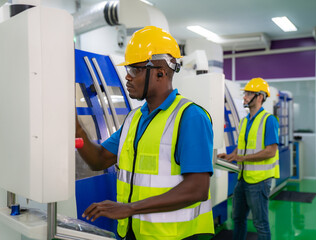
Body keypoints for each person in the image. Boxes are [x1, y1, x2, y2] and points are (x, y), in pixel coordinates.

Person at [76, 26, 214, 240]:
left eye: (135, 70)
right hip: (131, 233)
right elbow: (99, 159)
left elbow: (197, 189)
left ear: (161, 71)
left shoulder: (190, 117)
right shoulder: (134, 119)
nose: (128, 78)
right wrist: (76, 128)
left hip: (170, 236)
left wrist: (130, 208)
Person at [217, 77, 279, 240]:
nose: (244, 97)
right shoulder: (245, 121)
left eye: (248, 94)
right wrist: (230, 156)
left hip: (259, 181)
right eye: (245, 94)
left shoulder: (269, 120)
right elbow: (241, 146)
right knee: (237, 219)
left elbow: (271, 152)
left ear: (259, 97)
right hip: (243, 179)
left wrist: (242, 158)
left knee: (260, 223)